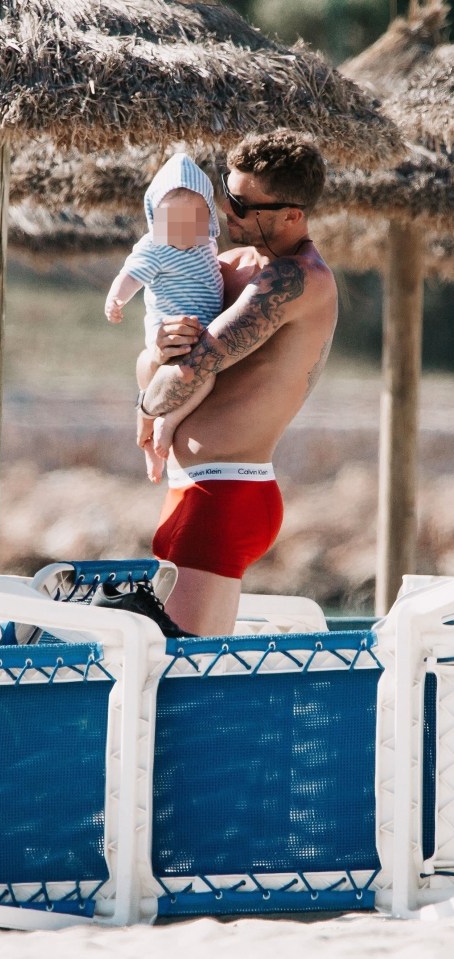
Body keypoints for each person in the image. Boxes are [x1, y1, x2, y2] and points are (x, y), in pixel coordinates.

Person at [136, 130, 337, 638]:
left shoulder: (295, 280)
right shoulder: (225, 267)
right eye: (227, 195)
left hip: (227, 491)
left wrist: (147, 403)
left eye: (244, 205)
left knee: (183, 685)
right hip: (199, 489)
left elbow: (189, 374)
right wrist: (158, 347)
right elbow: (157, 360)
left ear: (293, 215)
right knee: (167, 680)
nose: (227, 212)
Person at [104, 153, 224, 483]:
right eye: (175, 223)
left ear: (209, 219)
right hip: (170, 334)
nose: (184, 232)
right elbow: (131, 274)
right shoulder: (155, 247)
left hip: (201, 334)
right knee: (197, 376)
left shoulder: (208, 245)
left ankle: (159, 434)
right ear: (156, 221)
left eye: (194, 221)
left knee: (202, 378)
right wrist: (116, 298)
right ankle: (166, 424)